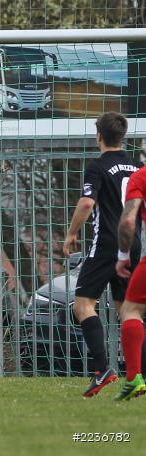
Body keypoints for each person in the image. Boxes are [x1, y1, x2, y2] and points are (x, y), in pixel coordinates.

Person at [62, 112, 140, 397]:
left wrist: (71, 234)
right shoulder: (136, 166)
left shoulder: (97, 166)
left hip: (107, 242)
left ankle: (102, 369)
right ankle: (138, 374)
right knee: (128, 311)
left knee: (82, 305)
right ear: (123, 136)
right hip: (133, 244)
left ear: (99, 136)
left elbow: (86, 204)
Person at [112, 165, 146, 400]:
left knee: (131, 310)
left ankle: (133, 377)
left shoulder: (141, 176)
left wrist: (123, 256)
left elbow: (127, 222)